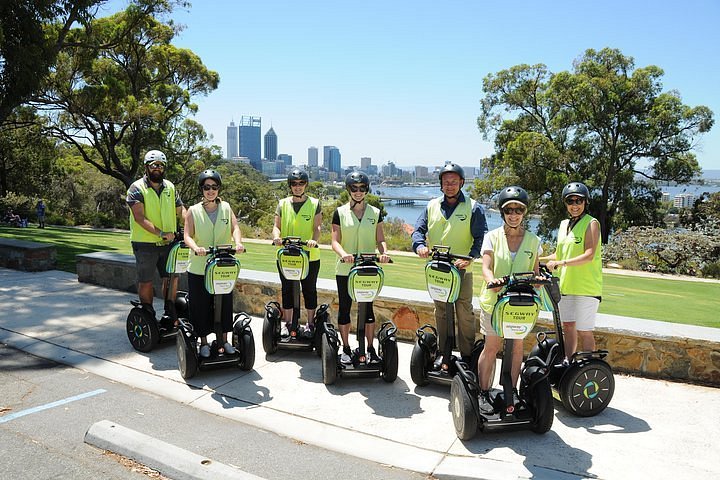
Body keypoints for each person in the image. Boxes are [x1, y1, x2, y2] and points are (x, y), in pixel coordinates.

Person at [411, 163, 487, 371]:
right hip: (438, 270)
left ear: (461, 183)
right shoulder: (431, 206)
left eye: (454, 182)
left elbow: (480, 238)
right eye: (446, 182)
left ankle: (467, 356)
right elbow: (418, 230)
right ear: (441, 185)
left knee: (464, 311)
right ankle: (444, 353)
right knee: (442, 311)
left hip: (462, 269)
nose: (450, 186)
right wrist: (419, 246)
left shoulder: (474, 207)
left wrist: (471, 257)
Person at [476, 186, 542, 413]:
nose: (513, 214)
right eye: (509, 210)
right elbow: (486, 266)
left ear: (524, 213)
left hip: (520, 304)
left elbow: (534, 271)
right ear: (502, 213)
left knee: (516, 349)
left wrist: (539, 280)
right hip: (494, 303)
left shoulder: (534, 241)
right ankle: (483, 392)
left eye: (518, 210)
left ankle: (510, 392)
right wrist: (492, 280)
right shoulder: (491, 238)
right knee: (492, 346)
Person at [183, 169, 245, 358]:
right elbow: (186, 236)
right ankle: (203, 342)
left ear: (219, 188)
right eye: (207, 187)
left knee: (224, 305)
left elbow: (235, 227)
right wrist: (196, 247)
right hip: (199, 268)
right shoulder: (193, 211)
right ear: (201, 189)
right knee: (200, 306)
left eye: (214, 187)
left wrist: (238, 242)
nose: (211, 191)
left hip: (222, 266)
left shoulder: (226, 207)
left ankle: (224, 341)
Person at [331, 171, 390, 365]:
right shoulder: (339, 212)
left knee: (368, 309)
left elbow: (380, 239)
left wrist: (383, 253)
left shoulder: (375, 212)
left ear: (366, 190)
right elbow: (335, 241)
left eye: (362, 188)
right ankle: (346, 348)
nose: (358, 192)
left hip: (368, 269)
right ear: (349, 190)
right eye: (354, 188)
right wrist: (343, 254)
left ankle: (370, 348)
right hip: (346, 269)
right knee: (345, 308)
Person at [542, 181, 602, 360]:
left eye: (578, 201)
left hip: (586, 287)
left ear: (585, 202)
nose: (574, 205)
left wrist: (561, 263)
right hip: (566, 286)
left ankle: (587, 369)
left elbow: (589, 254)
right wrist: (538, 260)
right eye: (570, 201)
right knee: (568, 326)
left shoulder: (592, 223)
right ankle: (569, 364)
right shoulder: (563, 225)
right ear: (565, 203)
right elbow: (558, 254)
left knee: (585, 331)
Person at [126, 149, 186, 320]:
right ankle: (148, 312)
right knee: (146, 281)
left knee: (172, 278)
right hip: (145, 244)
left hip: (169, 244)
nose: (157, 168)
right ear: (146, 167)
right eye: (153, 165)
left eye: (160, 165)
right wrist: (161, 233)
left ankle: (170, 310)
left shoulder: (170, 187)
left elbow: (181, 211)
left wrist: (189, 227)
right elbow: (139, 217)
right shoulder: (136, 188)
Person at [272, 168, 322, 339]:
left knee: (309, 290)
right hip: (286, 256)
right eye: (294, 184)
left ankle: (310, 323)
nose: (298, 186)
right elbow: (276, 226)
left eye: (301, 183)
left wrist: (314, 240)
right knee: (287, 289)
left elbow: (317, 228)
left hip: (309, 256)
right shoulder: (283, 204)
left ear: (305, 184)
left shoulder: (314, 203)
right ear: (290, 186)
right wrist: (277, 237)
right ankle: (287, 323)